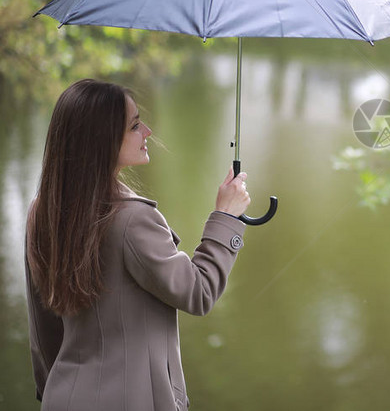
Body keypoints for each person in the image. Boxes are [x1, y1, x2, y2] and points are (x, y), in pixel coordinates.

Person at [25, 79, 251, 410]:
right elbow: (199, 292)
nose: (146, 131)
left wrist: (51, 388)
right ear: (101, 139)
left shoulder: (43, 210)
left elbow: (41, 324)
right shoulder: (133, 220)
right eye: (134, 125)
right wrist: (226, 217)